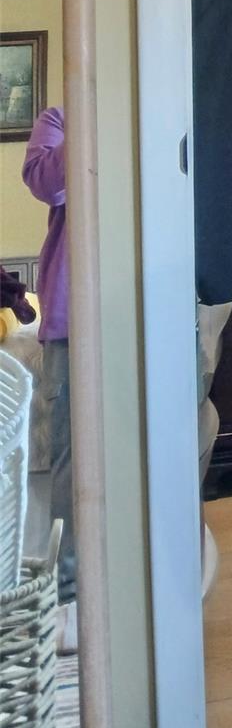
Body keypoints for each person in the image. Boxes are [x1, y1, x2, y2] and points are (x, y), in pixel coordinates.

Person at [22, 105, 77, 652]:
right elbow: (45, 182)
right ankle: (68, 596)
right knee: (69, 453)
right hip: (66, 319)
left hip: (134, 306)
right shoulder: (58, 119)